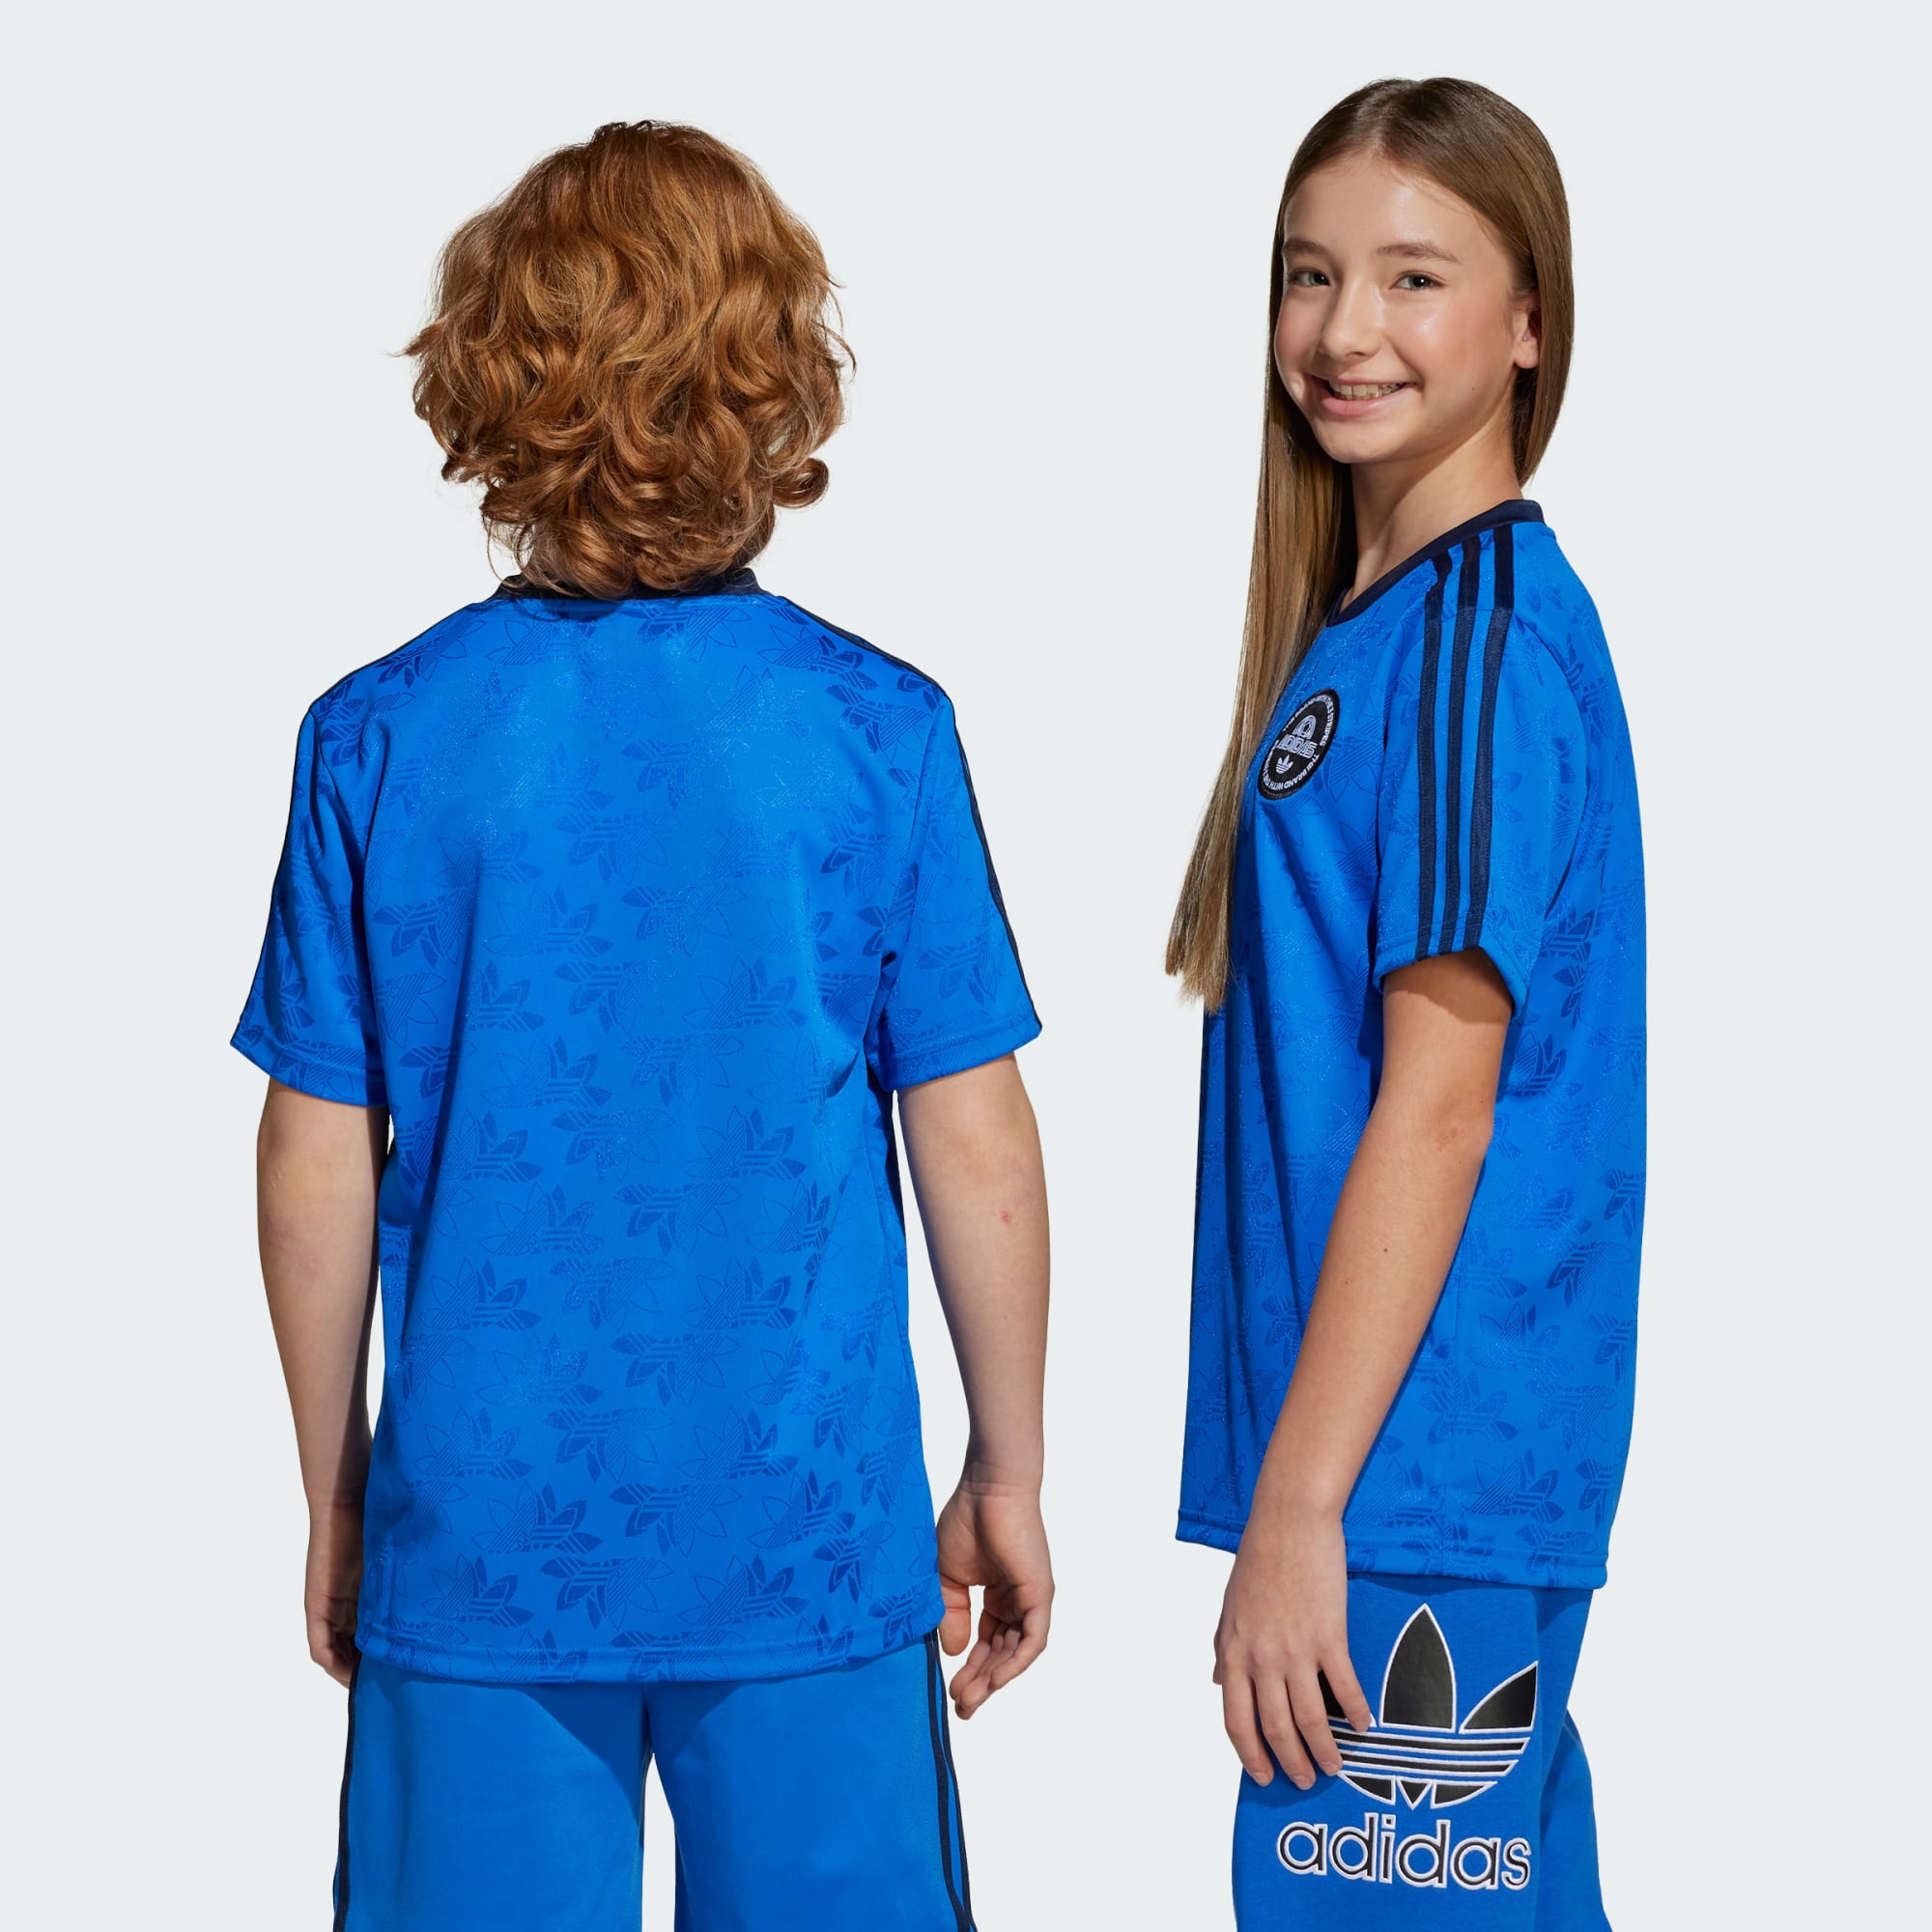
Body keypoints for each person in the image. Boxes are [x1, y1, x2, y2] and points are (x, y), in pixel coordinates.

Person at [232, 120, 1050, 1932]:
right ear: (776, 383)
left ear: (490, 380)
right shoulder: (875, 730)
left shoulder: (378, 736)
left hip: (483, 1531)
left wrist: (339, 1493)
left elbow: (314, 1154)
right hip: (806, 1529)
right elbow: (974, 1134)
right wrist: (1005, 1465)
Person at [1168, 78, 1643, 1928]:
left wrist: (1304, 1509)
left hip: (1407, 1490)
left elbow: (1442, 1099)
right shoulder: (1383, 633)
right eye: (1311, 275)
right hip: (1422, 1485)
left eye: (1414, 277)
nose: (1345, 328)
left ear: (1530, 323)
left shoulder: (1472, 639)